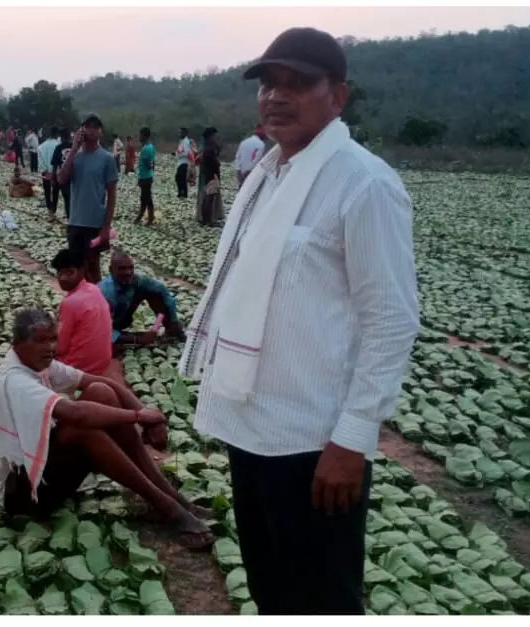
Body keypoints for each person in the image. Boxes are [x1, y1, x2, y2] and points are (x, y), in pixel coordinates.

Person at [180, 27, 420, 615]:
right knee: (271, 589)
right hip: (250, 426)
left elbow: (391, 319)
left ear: (337, 97)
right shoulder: (267, 174)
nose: (275, 97)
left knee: (319, 600)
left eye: (297, 83)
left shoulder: (363, 184)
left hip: (313, 443)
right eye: (267, 84)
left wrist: (353, 439)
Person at [0, 308, 215, 548]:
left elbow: (100, 382)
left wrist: (147, 417)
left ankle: (171, 496)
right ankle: (168, 508)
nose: (49, 347)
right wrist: (137, 415)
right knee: (82, 429)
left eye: (52, 339)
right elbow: (76, 413)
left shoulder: (41, 364)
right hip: (17, 495)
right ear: (17, 344)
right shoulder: (15, 380)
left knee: (101, 393)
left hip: (36, 474)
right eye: (39, 341)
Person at [57, 113, 118, 284]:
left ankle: (97, 305)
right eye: (87, 126)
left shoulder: (107, 159)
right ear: (81, 130)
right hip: (75, 222)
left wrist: (106, 226)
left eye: (95, 127)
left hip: (95, 224)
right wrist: (74, 148)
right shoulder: (74, 156)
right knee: (75, 268)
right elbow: (61, 179)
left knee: (92, 268)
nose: (91, 130)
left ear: (100, 132)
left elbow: (112, 195)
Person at [99, 250, 185, 348]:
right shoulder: (105, 293)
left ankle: (172, 332)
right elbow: (101, 331)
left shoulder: (136, 280)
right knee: (105, 345)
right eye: (122, 269)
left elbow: (163, 291)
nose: (128, 272)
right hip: (106, 326)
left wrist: (173, 320)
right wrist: (137, 339)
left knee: (155, 293)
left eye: (131, 268)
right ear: (111, 270)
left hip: (122, 318)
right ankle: (123, 338)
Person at [50, 249, 113, 376]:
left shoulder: (70, 303)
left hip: (77, 369)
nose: (63, 278)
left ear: (82, 270)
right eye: (60, 273)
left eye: (69, 272)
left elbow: (60, 348)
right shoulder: (94, 289)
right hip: (102, 363)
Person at [197, 127, 223, 226]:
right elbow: (216, 163)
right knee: (210, 197)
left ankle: (204, 219)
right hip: (212, 174)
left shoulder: (205, 148)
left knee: (207, 196)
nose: (214, 138)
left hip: (207, 174)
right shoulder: (210, 149)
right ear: (209, 137)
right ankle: (209, 221)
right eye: (213, 136)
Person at [38, 127, 61, 215]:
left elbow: (40, 161)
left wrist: (45, 170)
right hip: (56, 172)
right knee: (55, 191)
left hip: (45, 172)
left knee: (47, 191)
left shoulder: (41, 146)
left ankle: (49, 208)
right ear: (57, 135)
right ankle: (53, 209)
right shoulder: (58, 145)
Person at [50, 130, 72, 219]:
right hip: (70, 176)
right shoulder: (73, 147)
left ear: (61, 137)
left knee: (55, 195)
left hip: (59, 175)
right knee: (68, 198)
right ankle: (69, 216)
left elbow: (54, 164)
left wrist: (53, 178)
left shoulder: (58, 148)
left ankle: (53, 213)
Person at [136, 127, 156, 225]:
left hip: (145, 177)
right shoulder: (151, 147)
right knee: (144, 198)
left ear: (144, 136)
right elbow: (153, 164)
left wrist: (141, 177)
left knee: (147, 199)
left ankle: (150, 219)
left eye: (140, 135)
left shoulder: (145, 149)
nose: (139, 137)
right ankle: (140, 217)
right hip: (148, 176)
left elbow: (148, 165)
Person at [174, 127, 191, 198]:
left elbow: (186, 153)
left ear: (185, 133)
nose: (180, 134)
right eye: (179, 132)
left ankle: (183, 193)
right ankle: (181, 192)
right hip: (180, 162)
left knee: (181, 178)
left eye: (181, 132)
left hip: (184, 162)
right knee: (179, 178)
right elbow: (180, 150)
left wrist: (179, 154)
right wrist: (175, 153)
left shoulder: (186, 141)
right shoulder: (181, 141)